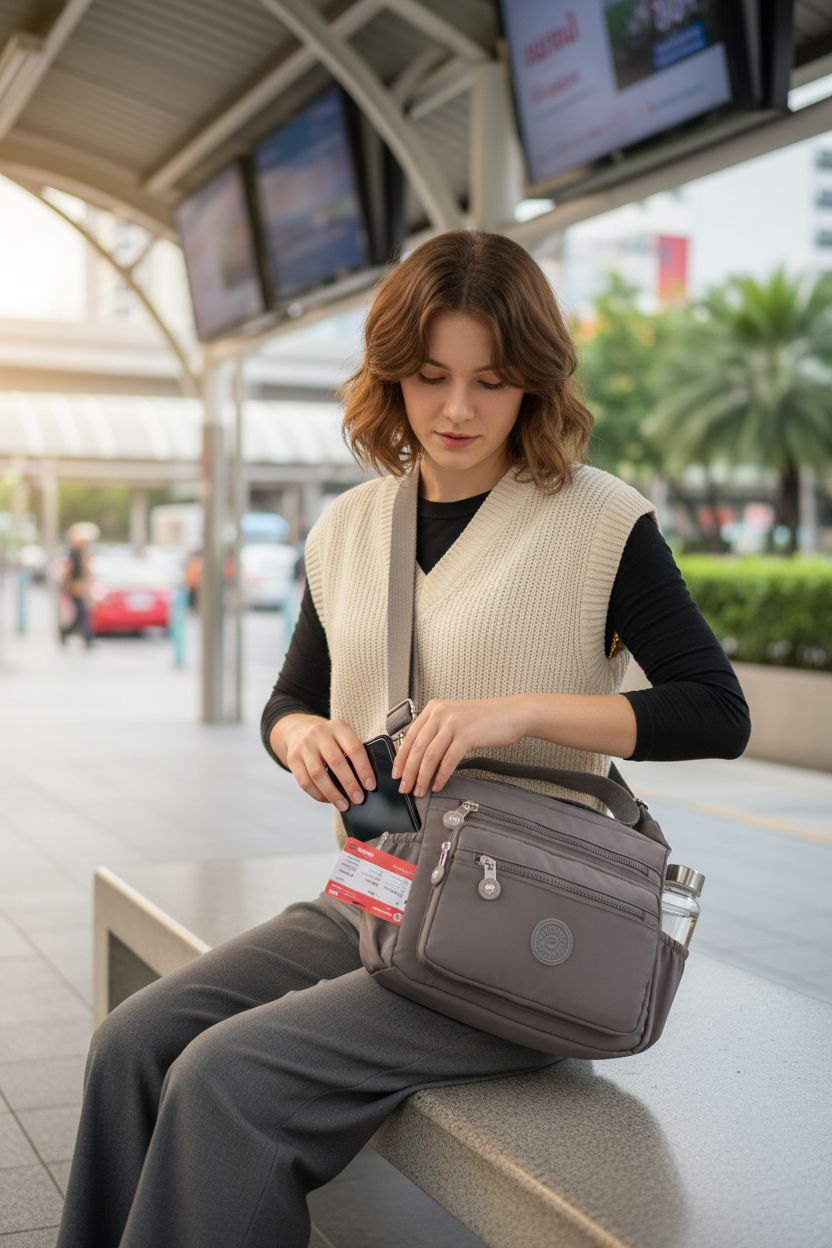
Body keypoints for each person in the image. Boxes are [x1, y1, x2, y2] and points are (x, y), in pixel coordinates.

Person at [55, 230, 750, 1248]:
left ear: (534, 385)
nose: (458, 409)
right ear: (391, 376)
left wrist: (518, 710)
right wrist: (301, 741)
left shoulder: (601, 521)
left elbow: (715, 709)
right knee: (131, 1043)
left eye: (492, 380)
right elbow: (286, 701)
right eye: (429, 377)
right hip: (370, 898)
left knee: (223, 1080)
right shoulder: (345, 529)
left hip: (515, 934)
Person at [58, 526, 96, 648]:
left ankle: (66, 633)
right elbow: (68, 569)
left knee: (81, 613)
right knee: (82, 612)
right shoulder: (73, 552)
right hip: (75, 586)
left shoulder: (83, 553)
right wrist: (67, 585)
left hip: (81, 586)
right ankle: (87, 639)